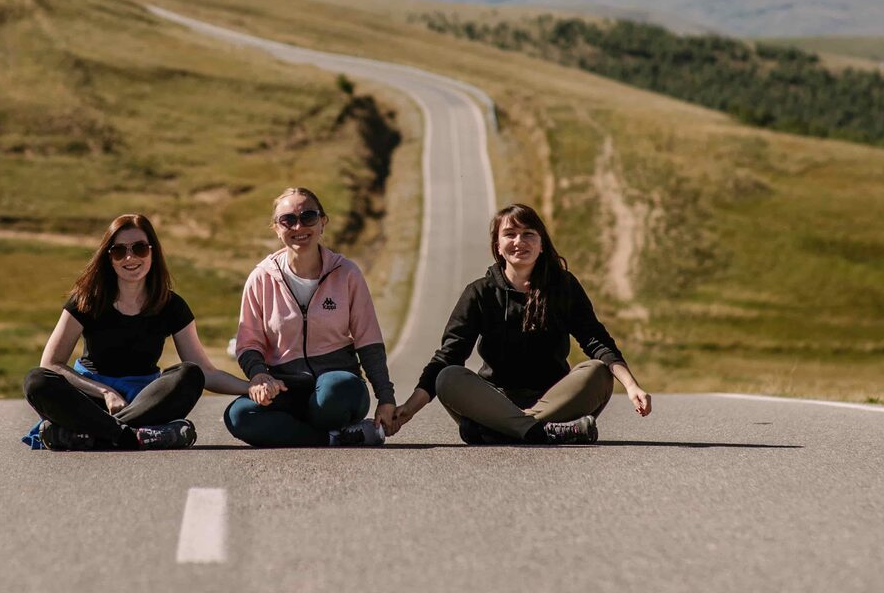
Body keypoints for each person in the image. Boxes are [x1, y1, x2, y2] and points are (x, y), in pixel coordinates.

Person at [394, 203, 652, 444]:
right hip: (494, 400)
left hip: (553, 399)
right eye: (510, 234)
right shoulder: (479, 293)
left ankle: (502, 431)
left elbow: (595, 340)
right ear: (498, 245)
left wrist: (631, 386)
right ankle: (543, 431)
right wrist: (410, 408)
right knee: (447, 376)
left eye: (528, 233)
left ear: (541, 244)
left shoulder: (563, 286)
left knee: (598, 371)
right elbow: (449, 356)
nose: (519, 241)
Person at [22, 213, 248, 451]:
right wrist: (106, 392)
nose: (130, 257)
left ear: (153, 252)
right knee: (36, 381)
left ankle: (90, 435)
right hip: (90, 400)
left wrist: (251, 386)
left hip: (145, 401)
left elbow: (205, 372)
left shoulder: (171, 305)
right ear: (109, 257)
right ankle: (134, 436)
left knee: (189, 374)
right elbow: (52, 363)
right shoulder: (86, 300)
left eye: (139, 248)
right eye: (119, 251)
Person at [224, 187, 399, 447]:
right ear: (276, 228)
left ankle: (300, 431)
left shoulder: (347, 273)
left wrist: (385, 398)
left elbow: (368, 341)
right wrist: (260, 376)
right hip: (285, 388)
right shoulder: (261, 278)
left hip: (339, 387)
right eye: (288, 220)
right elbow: (249, 342)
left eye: (308, 216)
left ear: (322, 222)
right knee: (238, 415)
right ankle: (335, 437)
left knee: (333, 391)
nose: (299, 226)